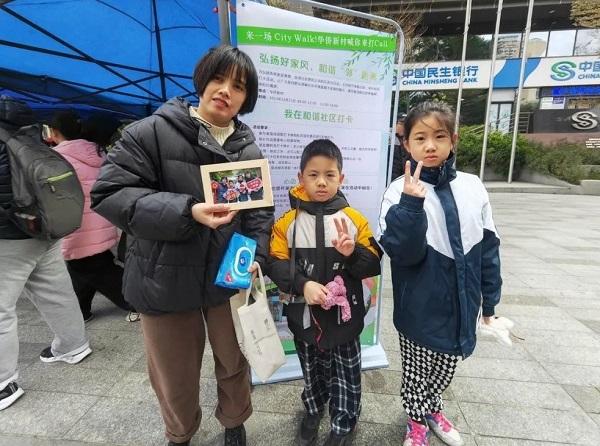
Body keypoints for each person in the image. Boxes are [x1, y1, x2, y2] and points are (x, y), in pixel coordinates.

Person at [91, 45, 273, 446]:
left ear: (247, 98)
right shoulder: (150, 133)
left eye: (238, 86)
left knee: (234, 360)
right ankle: (180, 433)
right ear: (202, 81)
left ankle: (234, 421)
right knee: (174, 373)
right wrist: (186, 210)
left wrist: (256, 255)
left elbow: (260, 214)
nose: (225, 91)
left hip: (229, 274)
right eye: (218, 79)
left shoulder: (248, 150)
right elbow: (109, 194)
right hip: (163, 277)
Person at [377, 101, 502, 446]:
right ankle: (416, 421)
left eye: (439, 136)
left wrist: (490, 301)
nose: (430, 146)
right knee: (417, 371)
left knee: (446, 366)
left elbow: (489, 246)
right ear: (406, 144)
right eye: (420, 138)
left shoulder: (473, 186)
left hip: (462, 302)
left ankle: (433, 409)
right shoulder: (397, 191)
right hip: (418, 305)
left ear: (453, 140)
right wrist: (411, 204)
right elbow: (403, 254)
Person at [268, 139, 382, 446]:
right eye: (313, 174)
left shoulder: (354, 219)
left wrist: (352, 253)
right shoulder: (287, 223)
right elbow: (275, 263)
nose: (321, 182)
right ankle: (313, 409)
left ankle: (344, 423)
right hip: (305, 316)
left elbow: (373, 263)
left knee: (346, 372)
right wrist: (302, 284)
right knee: (312, 370)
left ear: (340, 178)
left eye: (329, 175)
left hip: (345, 318)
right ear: (300, 177)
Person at [0, 96, 92, 411]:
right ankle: (73, 346)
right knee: (57, 290)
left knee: (1, 308)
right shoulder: (34, 142)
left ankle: (3, 383)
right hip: (46, 230)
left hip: (10, 236)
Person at [49, 110, 139, 323]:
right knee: (85, 266)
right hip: (101, 220)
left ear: (54, 132)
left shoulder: (56, 158)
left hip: (77, 226)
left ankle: (138, 301)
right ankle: (81, 310)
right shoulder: (97, 152)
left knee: (94, 268)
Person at [391, 112, 409, 180]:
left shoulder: (409, 141)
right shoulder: (389, 140)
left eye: (406, 124)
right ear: (395, 124)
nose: (404, 126)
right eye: (401, 123)